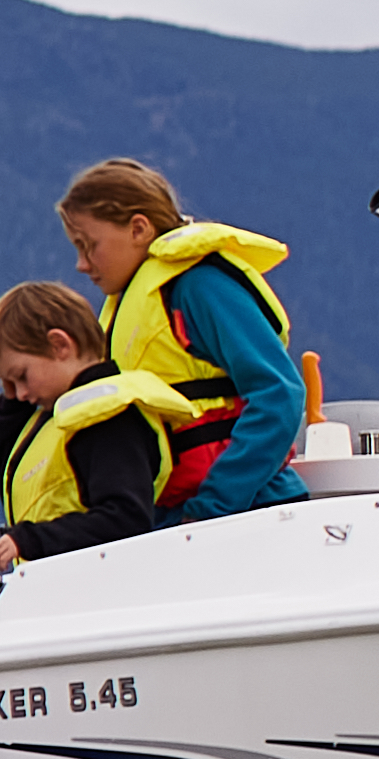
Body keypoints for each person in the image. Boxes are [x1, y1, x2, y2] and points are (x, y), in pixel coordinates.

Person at [62, 160, 306, 515]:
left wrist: (215, 504)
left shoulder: (199, 287)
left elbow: (280, 392)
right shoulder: (129, 307)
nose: (81, 264)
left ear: (138, 229)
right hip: (179, 519)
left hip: (248, 512)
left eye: (89, 246)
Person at [0, 278, 197, 567]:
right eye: (9, 386)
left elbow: (125, 519)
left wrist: (32, 539)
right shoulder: (56, 415)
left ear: (59, 345)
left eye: (21, 377)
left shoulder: (108, 418)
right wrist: (9, 408)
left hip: (103, 583)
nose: (20, 395)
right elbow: (11, 479)